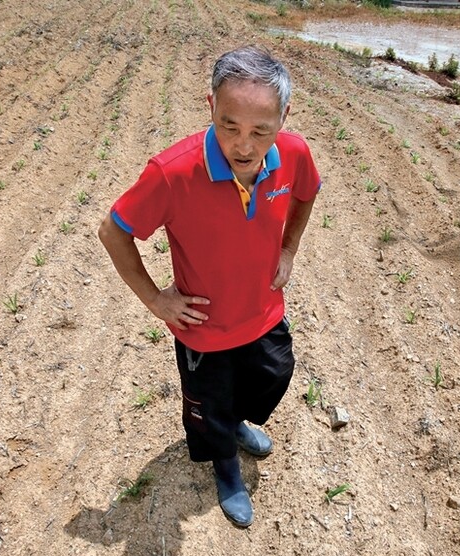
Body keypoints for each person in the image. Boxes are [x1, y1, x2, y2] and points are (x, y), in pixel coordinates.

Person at [98, 46, 321, 527]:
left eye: (261, 130)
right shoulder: (173, 173)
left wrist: (289, 250)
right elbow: (113, 231)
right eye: (229, 126)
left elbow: (306, 193)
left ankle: (237, 422)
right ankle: (226, 467)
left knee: (274, 374)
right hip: (204, 328)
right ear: (210, 108)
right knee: (209, 409)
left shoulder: (296, 154)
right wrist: (156, 299)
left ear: (285, 116)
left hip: (263, 311)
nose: (244, 145)